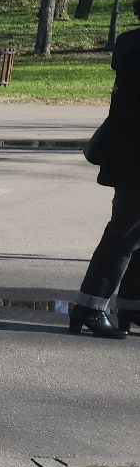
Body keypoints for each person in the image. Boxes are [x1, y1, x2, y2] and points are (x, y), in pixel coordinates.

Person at [72, 26, 140, 339]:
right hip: (135, 156)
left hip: (127, 153)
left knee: (132, 233)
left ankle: (131, 305)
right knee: (125, 233)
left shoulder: (131, 44)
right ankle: (89, 306)